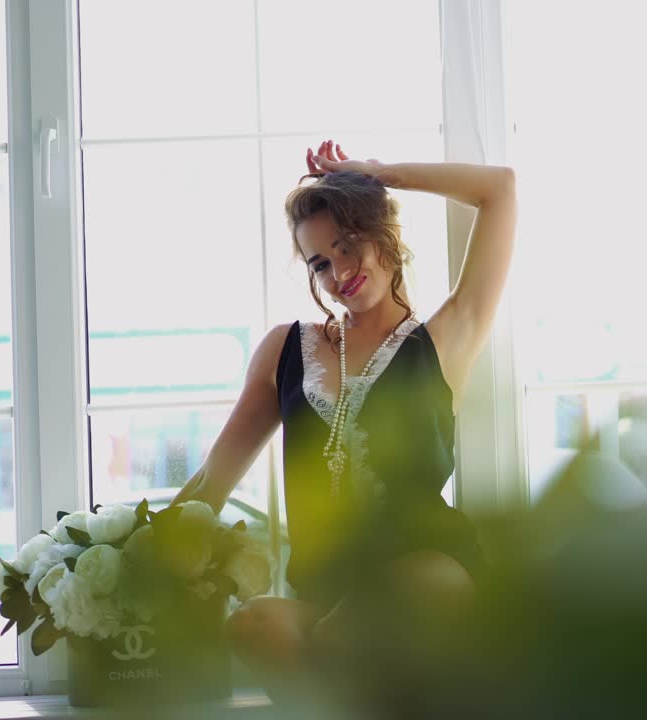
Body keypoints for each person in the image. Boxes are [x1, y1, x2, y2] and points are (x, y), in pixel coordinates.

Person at [170, 139, 517, 681]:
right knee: (255, 627)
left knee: (393, 604)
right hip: (328, 595)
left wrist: (381, 174)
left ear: (385, 236)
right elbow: (211, 483)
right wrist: (124, 555)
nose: (340, 271)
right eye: (321, 262)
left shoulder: (443, 340)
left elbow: (500, 189)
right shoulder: (286, 350)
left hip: (429, 577)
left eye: (348, 244)